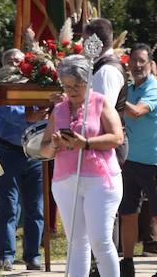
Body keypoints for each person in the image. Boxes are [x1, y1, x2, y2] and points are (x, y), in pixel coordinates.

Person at [40, 54, 124, 277]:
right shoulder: (58, 109)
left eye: (77, 85)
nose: (72, 91)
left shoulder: (100, 102)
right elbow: (44, 149)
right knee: (76, 241)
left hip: (100, 179)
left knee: (100, 240)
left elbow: (117, 138)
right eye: (67, 86)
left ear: (88, 82)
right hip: (66, 181)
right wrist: (56, 145)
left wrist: (85, 143)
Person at [120, 44, 157, 277]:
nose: (138, 65)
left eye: (142, 61)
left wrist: (112, 98)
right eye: (134, 61)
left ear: (151, 64)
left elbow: (136, 112)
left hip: (154, 162)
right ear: (128, 63)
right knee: (128, 213)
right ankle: (127, 263)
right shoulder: (129, 89)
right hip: (130, 160)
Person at [0, 49, 44, 274]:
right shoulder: (0, 89)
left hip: (33, 153)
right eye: (11, 59)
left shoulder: (35, 86)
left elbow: (42, 113)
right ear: (4, 64)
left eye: (19, 60)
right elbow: (12, 116)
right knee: (9, 207)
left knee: (35, 208)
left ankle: (33, 255)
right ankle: (6, 256)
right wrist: (32, 115)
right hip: (8, 153)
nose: (15, 62)